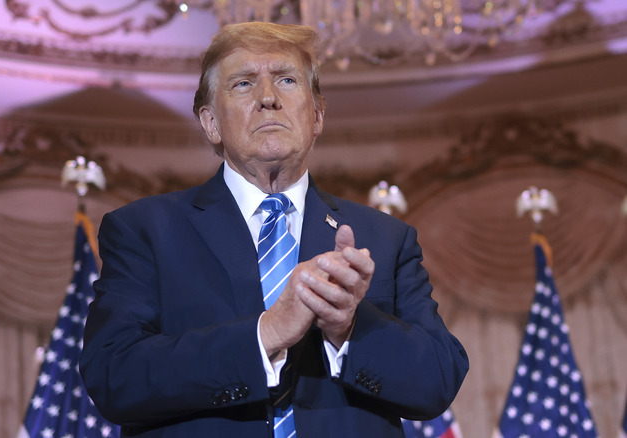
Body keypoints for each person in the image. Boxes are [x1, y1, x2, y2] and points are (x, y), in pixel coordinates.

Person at [80, 21, 468, 437]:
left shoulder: (384, 240)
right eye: (244, 83)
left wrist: (348, 328)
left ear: (317, 115)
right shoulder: (145, 231)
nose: (268, 98)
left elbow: (439, 380)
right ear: (211, 123)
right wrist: (264, 334)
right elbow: (112, 374)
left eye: (286, 79)